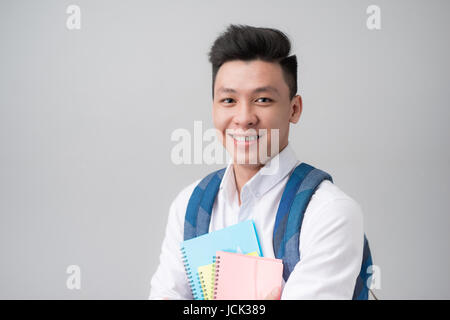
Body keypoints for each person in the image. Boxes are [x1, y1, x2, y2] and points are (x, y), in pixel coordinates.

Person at [149, 24, 364, 299]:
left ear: (294, 109)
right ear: (213, 108)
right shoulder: (188, 205)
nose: (244, 117)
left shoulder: (329, 213)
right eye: (228, 100)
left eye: (262, 99)